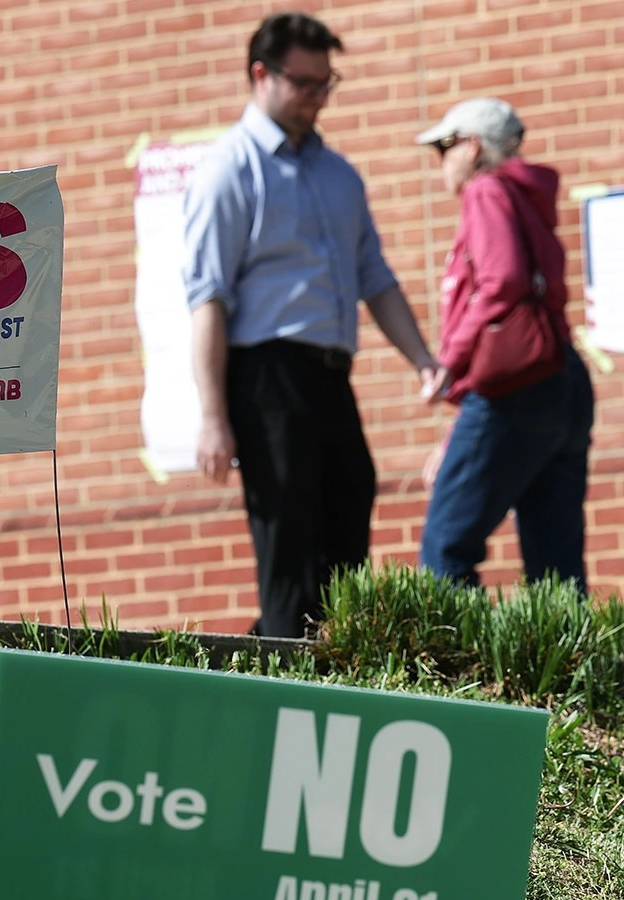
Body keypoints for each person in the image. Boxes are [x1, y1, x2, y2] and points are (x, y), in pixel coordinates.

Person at [182, 11, 440, 638]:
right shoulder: (230, 169)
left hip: (328, 374)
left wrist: (424, 361)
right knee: (289, 539)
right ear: (260, 75)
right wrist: (213, 415)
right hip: (266, 376)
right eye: (305, 84)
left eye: (327, 83)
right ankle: (279, 668)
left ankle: (329, 661)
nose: (318, 98)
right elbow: (206, 297)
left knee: (353, 499)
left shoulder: (339, 175)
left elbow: (374, 277)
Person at [413, 98, 595, 590]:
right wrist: (457, 438)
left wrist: (449, 363)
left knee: (444, 551)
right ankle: (570, 666)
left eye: (444, 148)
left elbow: (504, 281)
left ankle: (447, 668)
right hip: (562, 378)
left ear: (471, 148)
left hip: (517, 392)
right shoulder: (524, 197)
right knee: (555, 568)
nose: (442, 161)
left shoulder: (486, 190)